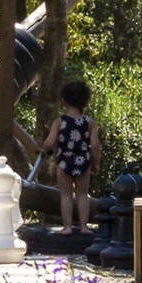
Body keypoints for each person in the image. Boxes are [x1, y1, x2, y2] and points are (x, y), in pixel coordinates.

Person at [51, 79, 101, 233]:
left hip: (64, 161)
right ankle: (84, 226)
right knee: (82, 194)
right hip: (83, 161)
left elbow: (49, 141)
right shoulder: (89, 122)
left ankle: (67, 227)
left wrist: (44, 149)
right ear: (85, 101)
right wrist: (95, 163)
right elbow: (95, 145)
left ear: (64, 100)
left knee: (66, 194)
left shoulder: (60, 122)